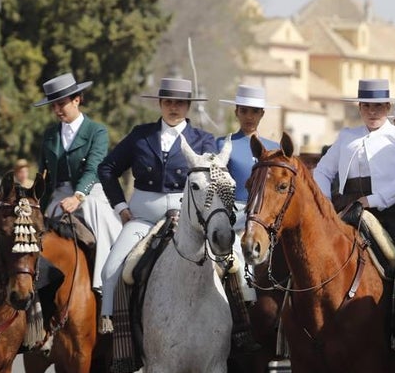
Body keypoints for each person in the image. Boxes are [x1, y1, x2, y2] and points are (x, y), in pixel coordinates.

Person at [96, 78, 217, 332]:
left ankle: (238, 324)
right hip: (143, 217)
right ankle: (112, 325)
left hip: (188, 219)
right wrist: (120, 207)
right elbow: (107, 168)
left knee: (228, 267)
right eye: (169, 102)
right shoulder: (141, 135)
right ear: (160, 104)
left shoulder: (204, 140)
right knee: (110, 270)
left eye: (180, 103)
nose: (174, 108)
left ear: (188, 107)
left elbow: (212, 179)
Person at [313, 79, 395, 352]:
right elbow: (322, 171)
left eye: (378, 107)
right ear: (360, 108)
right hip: (348, 208)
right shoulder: (346, 136)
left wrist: (374, 200)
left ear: (387, 107)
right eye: (367, 106)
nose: (372, 112)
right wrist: (327, 206)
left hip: (394, 210)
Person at [34, 72, 122, 292]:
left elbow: (94, 168)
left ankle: (105, 282)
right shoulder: (50, 135)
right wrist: (35, 205)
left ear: (77, 99)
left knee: (98, 214)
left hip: (90, 192)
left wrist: (78, 196)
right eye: (53, 105)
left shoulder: (97, 131)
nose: (57, 110)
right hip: (58, 195)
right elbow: (43, 174)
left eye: (61, 104)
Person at [217, 84, 280, 352]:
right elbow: (218, 184)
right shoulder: (224, 144)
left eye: (255, 111)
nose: (249, 116)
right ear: (236, 112)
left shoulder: (276, 148)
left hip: (266, 218)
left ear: (262, 114)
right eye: (244, 111)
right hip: (234, 215)